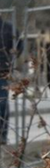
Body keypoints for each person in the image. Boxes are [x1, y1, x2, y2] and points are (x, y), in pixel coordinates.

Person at [0, 17, 15, 145]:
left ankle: (3, 134)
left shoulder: (8, 28)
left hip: (3, 71)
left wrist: (11, 59)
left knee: (3, 103)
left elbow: (19, 44)